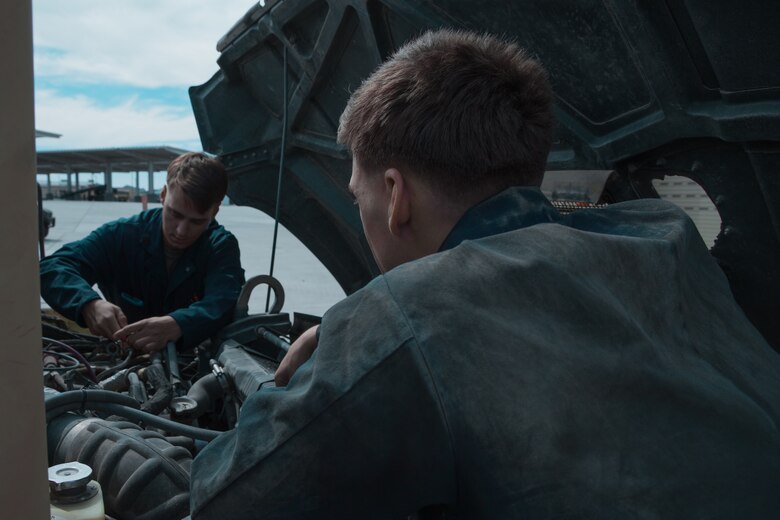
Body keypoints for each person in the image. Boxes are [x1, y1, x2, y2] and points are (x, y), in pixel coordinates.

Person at [190, 30, 780, 518]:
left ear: (395, 197)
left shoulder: (409, 314)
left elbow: (227, 499)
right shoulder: (665, 235)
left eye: (356, 195)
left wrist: (364, 332)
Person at [40, 152, 245, 352]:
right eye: (175, 214)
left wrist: (178, 324)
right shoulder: (120, 235)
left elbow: (224, 300)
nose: (181, 230)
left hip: (192, 363)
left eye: (196, 221)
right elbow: (52, 267)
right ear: (163, 195)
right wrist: (88, 303)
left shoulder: (220, 246)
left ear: (215, 212)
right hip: (123, 358)